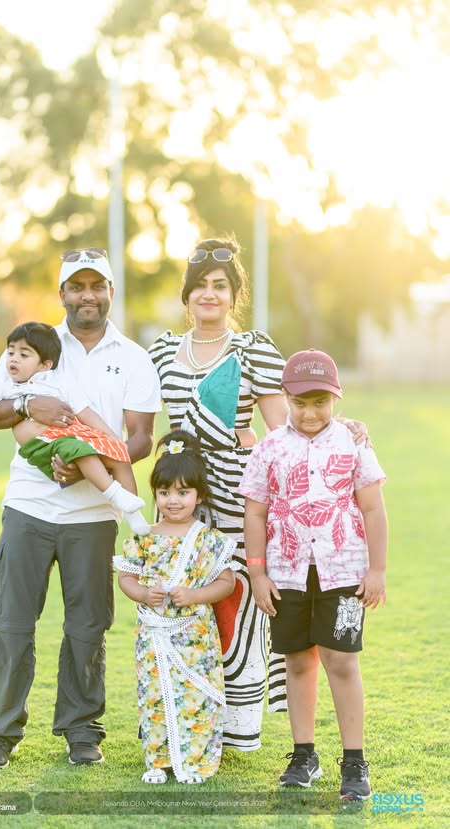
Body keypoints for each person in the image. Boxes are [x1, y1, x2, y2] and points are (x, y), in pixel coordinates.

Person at [148, 236, 368, 752]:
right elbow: (140, 423)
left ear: (234, 294)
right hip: (179, 499)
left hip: (236, 494)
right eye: (200, 285)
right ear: (186, 294)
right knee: (179, 603)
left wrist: (344, 429)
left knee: (239, 603)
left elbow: (286, 431)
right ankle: (182, 719)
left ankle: (238, 725)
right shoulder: (161, 351)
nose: (209, 294)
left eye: (220, 286)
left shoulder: (253, 350)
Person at [0, 248, 162, 769]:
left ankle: (82, 730)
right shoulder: (33, 342)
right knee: (12, 623)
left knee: (88, 626)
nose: (87, 296)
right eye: (76, 287)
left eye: (95, 286)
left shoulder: (135, 357)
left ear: (110, 292)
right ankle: (0, 734)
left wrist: (86, 461)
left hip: (94, 514)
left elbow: (142, 436)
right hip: (28, 507)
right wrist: (31, 404)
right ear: (62, 295)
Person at [239, 348, 387, 801]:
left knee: (341, 661)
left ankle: (355, 762)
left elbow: (373, 508)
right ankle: (304, 754)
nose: (309, 413)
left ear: (337, 398)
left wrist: (377, 569)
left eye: (320, 402)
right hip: (286, 575)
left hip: (344, 573)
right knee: (298, 661)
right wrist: (258, 574)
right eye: (299, 403)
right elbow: (255, 514)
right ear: (285, 398)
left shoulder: (353, 442)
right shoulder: (269, 449)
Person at [115, 430, 239, 784]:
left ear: (198, 495)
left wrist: (196, 596)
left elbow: (226, 581)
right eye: (165, 492)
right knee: (154, 695)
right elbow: (125, 578)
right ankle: (158, 759)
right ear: (154, 493)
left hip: (195, 637)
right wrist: (142, 594)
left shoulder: (208, 540)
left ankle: (197, 761)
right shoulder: (144, 537)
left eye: (183, 493)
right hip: (153, 638)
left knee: (195, 697)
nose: (173, 500)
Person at [0, 321, 150, 534]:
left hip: (71, 434)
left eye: (24, 355)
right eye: (11, 352)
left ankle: (134, 515)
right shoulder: (5, 384)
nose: (13, 359)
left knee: (118, 454)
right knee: (81, 451)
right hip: (44, 444)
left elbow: (85, 413)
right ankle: (114, 493)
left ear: (45, 365)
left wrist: (112, 438)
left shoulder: (60, 381)